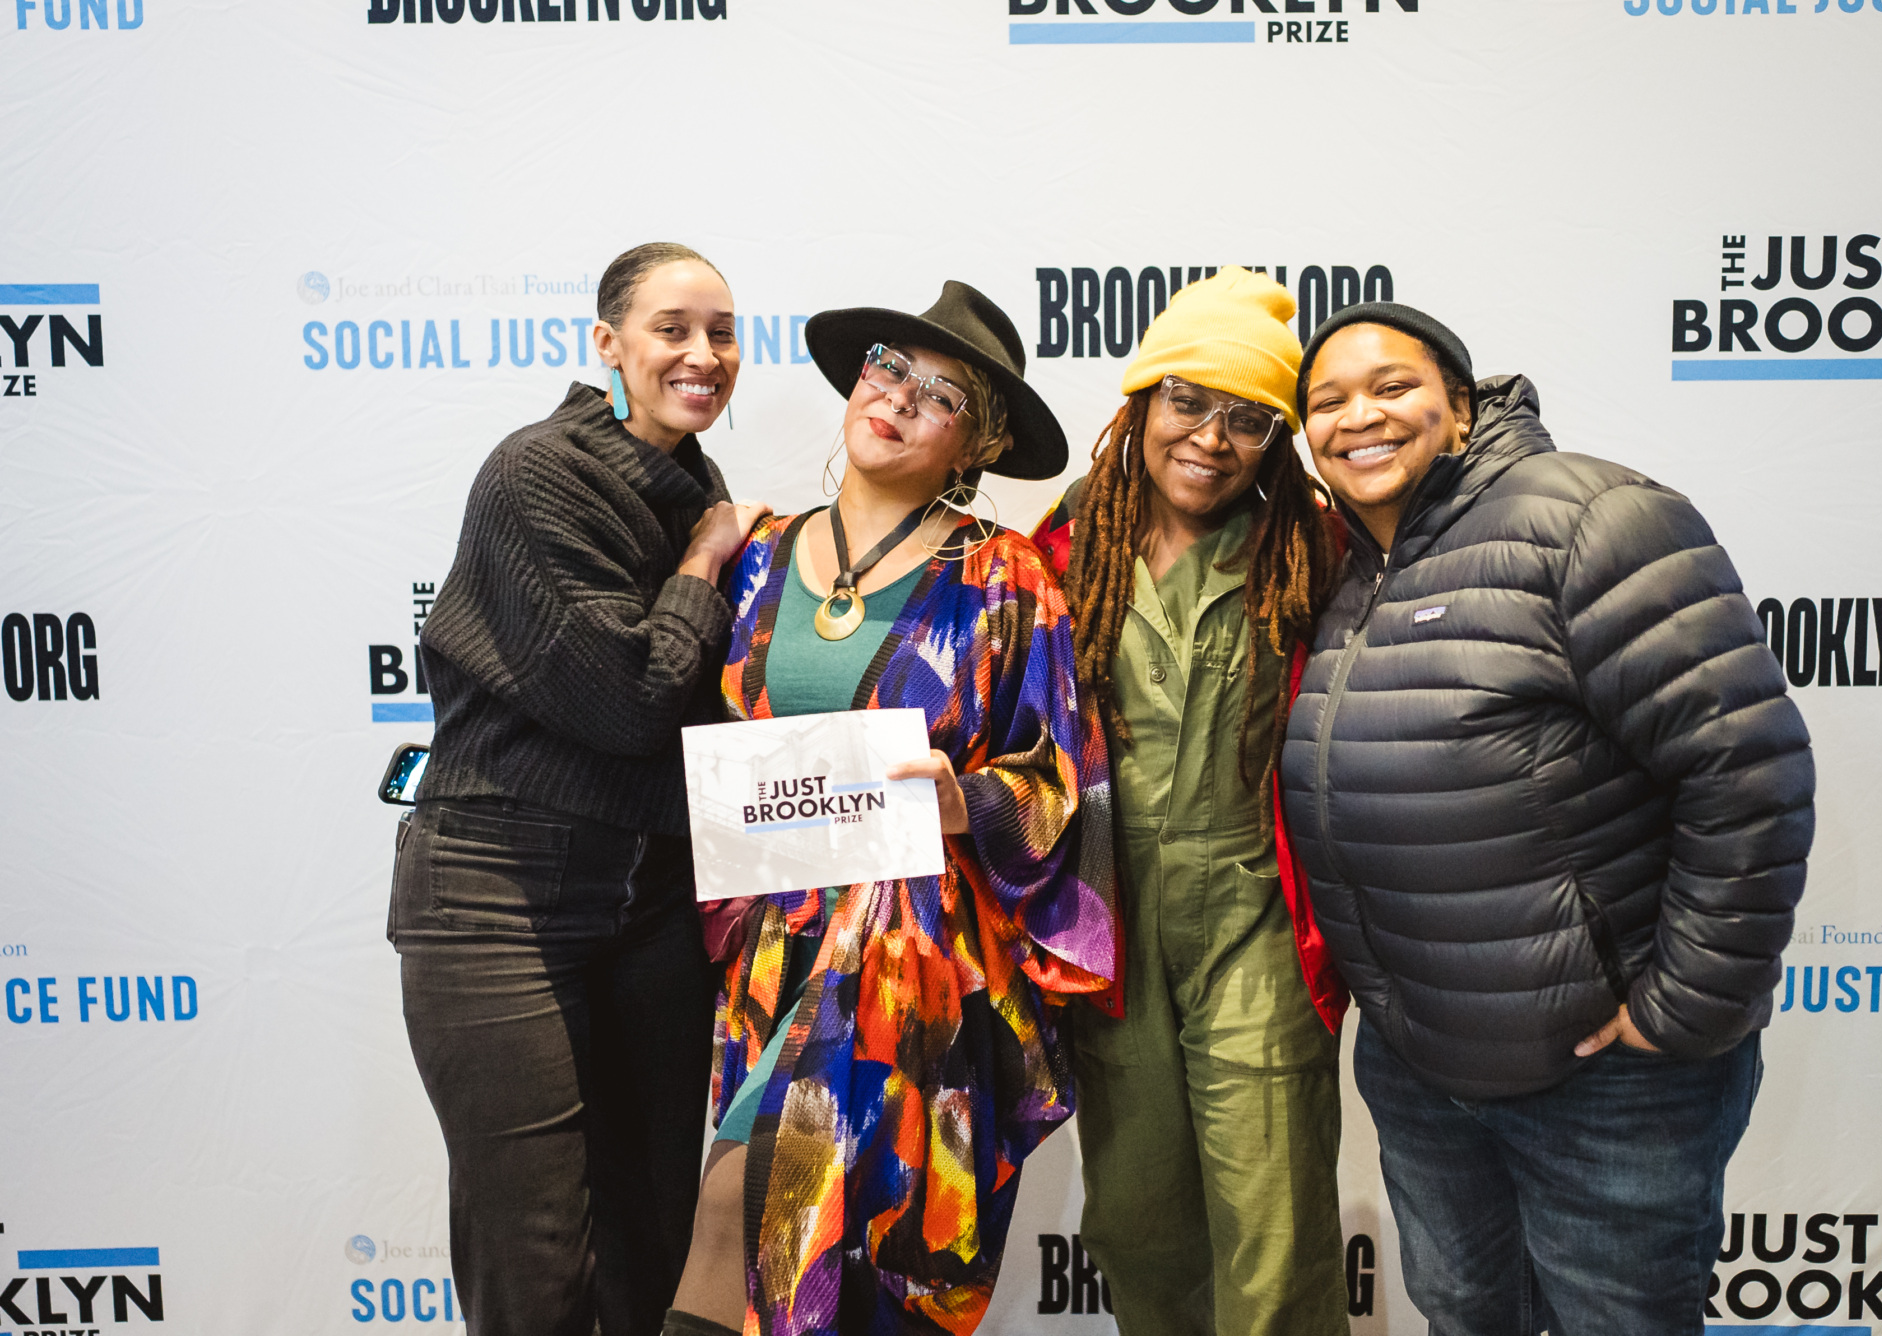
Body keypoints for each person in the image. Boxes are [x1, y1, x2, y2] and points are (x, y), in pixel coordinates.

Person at [1279, 302, 1816, 1336]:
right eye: (1326, 403)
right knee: (1463, 1313)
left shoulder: (1590, 517)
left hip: (1603, 1079)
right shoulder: (1342, 569)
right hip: (1422, 1070)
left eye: (1391, 387)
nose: (1357, 417)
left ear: (1463, 408)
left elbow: (1745, 772)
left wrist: (1679, 1010)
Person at [660, 281, 1118, 1336]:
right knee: (776, 1243)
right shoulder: (758, 552)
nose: (899, 398)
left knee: (774, 1220)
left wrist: (972, 800)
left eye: (940, 395)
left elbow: (1064, 782)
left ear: (974, 447)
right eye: (887, 367)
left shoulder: (1003, 579)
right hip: (767, 949)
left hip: (915, 963)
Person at [390, 242, 770, 1336]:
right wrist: (703, 564)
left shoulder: (693, 483)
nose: (703, 354)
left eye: (723, 331)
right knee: (536, 1255)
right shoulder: (539, 475)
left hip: (645, 897)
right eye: (672, 329)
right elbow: (629, 704)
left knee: (651, 1237)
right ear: (608, 345)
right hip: (496, 897)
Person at [1030, 266, 1350, 1336]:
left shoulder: (1310, 547)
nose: (1210, 438)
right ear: (1141, 401)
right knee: (1138, 1221)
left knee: (1275, 1230)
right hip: (1111, 923)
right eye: (1187, 402)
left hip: (1254, 916)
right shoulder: (1060, 554)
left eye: (1248, 419)